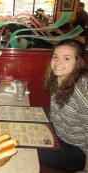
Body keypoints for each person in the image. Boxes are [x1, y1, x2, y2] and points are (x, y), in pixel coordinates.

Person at [38, 39, 88, 172]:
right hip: (57, 133)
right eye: (55, 57)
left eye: (67, 58)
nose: (58, 62)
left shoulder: (82, 89)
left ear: (78, 63)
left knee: (24, 147)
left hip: (77, 151)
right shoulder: (57, 79)